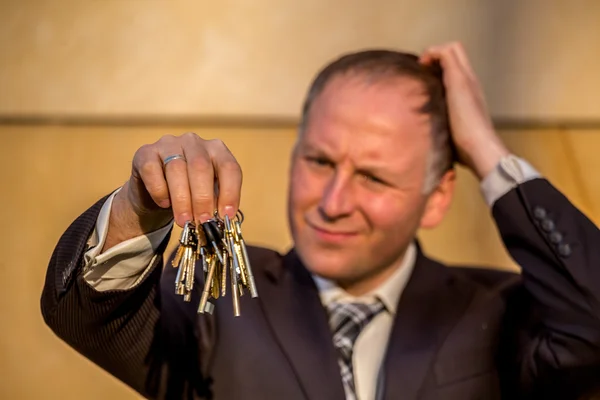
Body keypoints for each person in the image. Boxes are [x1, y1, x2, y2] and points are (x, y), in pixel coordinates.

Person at [41, 42, 600, 400]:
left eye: (374, 178)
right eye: (319, 161)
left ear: (436, 197)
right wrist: (139, 206)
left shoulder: (497, 314)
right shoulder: (217, 297)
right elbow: (86, 311)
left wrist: (485, 151)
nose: (333, 202)